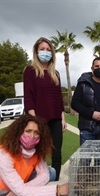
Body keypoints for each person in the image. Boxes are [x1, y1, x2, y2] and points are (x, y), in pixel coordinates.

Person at [23, 37, 67, 181]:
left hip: (55, 119)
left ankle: (54, 183)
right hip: (38, 119)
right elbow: (28, 97)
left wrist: (63, 119)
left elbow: (59, 99)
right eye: (42, 49)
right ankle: (35, 182)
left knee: (56, 153)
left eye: (48, 50)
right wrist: (35, 121)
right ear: (36, 51)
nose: (45, 52)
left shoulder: (56, 73)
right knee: (37, 153)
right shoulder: (30, 71)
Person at [71, 57, 100, 148]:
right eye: (97, 66)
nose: (99, 68)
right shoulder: (83, 84)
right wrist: (91, 114)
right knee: (85, 159)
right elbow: (75, 103)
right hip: (87, 127)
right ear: (92, 68)